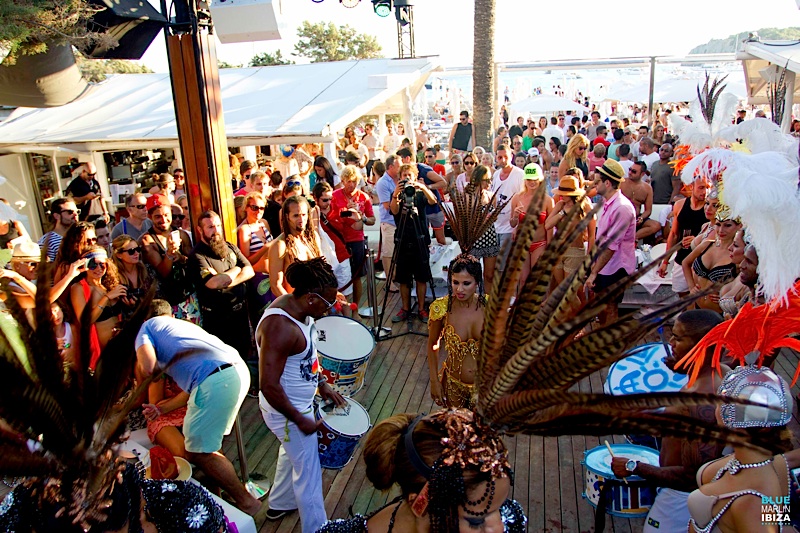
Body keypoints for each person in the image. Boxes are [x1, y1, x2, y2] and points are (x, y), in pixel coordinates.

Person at [135, 299, 261, 516]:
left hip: (217, 382)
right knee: (205, 445)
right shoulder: (184, 327)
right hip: (236, 372)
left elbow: (149, 369)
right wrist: (162, 410)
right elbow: (196, 380)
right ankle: (223, 502)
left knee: (198, 451)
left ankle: (245, 502)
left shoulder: (146, 327)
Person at [611, 310, 728, 533]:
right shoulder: (720, 372)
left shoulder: (698, 400)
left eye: (678, 338)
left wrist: (633, 466)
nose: (670, 343)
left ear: (700, 346)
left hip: (682, 500)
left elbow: (690, 476)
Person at [318, 409, 526, 532]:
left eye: (498, 507)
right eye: (476, 521)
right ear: (420, 505)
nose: (500, 527)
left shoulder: (511, 519)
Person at [256, 258, 346, 530]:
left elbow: (308, 356)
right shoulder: (280, 327)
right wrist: (299, 419)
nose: (331, 307)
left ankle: (280, 503)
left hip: (300, 405)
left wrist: (322, 383)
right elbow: (268, 385)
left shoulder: (303, 312)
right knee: (309, 472)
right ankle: (317, 528)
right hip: (287, 411)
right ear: (309, 298)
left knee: (290, 453)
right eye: (327, 302)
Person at [687, 366, 793, 533]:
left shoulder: (752, 504)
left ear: (732, 419)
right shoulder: (777, 462)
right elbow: (781, 520)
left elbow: (773, 523)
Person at [188, 210, 254, 361]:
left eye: (218, 225)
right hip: (218, 319)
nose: (216, 230)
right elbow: (213, 283)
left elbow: (249, 270)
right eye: (210, 227)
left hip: (240, 314)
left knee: (244, 357)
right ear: (200, 230)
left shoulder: (230, 247)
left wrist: (226, 281)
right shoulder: (197, 255)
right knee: (224, 361)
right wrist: (237, 269)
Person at [427, 254, 485, 409]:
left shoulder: (491, 307)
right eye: (455, 282)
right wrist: (434, 381)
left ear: (477, 283)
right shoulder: (442, 309)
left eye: (466, 283)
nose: (459, 289)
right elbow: (433, 344)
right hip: (453, 386)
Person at [586, 160, 636, 326]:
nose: (595, 184)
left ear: (607, 183)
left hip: (616, 265)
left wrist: (594, 272)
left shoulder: (622, 208)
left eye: (598, 181)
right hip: (605, 264)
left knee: (610, 305)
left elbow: (611, 247)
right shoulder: (609, 203)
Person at [140, 194, 200, 324]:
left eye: (166, 215)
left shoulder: (182, 234)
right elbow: (163, 272)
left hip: (189, 296)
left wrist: (181, 258)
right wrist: (170, 253)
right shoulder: (147, 241)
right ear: (150, 217)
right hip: (166, 301)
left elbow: (193, 262)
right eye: (158, 216)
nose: (163, 219)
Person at [390, 163, 437, 323]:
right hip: (403, 239)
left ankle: (422, 309)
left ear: (415, 177)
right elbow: (394, 211)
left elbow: (433, 201)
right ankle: (405, 308)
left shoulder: (420, 193)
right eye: (404, 176)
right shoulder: (397, 194)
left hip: (420, 239)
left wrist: (422, 187)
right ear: (400, 178)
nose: (407, 179)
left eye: (410, 175)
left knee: (421, 276)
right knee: (403, 277)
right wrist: (396, 194)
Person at [70, 245, 126, 371]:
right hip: (102, 354)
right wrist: (106, 298)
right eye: (93, 264)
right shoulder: (78, 288)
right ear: (84, 266)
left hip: (120, 345)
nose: (99, 268)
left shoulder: (109, 284)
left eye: (103, 264)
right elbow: (85, 321)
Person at [329, 165, 375, 306]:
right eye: (348, 181)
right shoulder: (335, 196)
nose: (352, 184)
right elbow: (330, 216)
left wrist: (361, 217)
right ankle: (339, 307)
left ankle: (355, 307)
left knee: (357, 276)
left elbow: (372, 220)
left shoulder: (363, 197)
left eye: (354, 181)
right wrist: (345, 212)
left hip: (357, 240)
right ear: (342, 181)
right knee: (338, 276)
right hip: (339, 240)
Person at [681, 208, 741, 314]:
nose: (721, 230)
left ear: (739, 226)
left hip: (719, 315)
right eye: (718, 224)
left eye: (727, 225)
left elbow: (744, 284)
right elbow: (685, 263)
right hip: (695, 307)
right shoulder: (706, 245)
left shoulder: (738, 255)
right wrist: (691, 287)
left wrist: (727, 296)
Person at [658, 179, 709, 296]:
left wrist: (697, 239)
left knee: (698, 298)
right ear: (691, 187)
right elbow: (674, 234)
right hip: (682, 256)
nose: (705, 191)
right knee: (682, 297)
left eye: (707, 187)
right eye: (701, 187)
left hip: (701, 261)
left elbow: (716, 233)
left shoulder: (709, 208)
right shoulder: (680, 205)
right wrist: (665, 261)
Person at [269, 195, 323, 299]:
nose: (301, 219)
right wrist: (294, 305)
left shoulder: (313, 238)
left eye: (304, 214)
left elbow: (322, 271)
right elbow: (276, 286)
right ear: (287, 216)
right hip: (295, 303)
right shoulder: (280, 245)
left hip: (317, 301)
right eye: (296, 215)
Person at [509, 163, 554, 288]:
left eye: (535, 179)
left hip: (539, 243)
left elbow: (549, 227)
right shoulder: (517, 198)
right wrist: (516, 216)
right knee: (523, 280)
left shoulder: (548, 201)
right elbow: (512, 224)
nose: (532, 182)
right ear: (525, 180)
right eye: (529, 179)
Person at [237, 191, 274, 328]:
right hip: (258, 280)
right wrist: (265, 249)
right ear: (246, 208)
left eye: (262, 208)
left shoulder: (264, 223)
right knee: (265, 317)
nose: (258, 211)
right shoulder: (244, 230)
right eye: (254, 207)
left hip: (273, 275)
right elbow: (246, 261)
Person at [490, 145, 525, 274]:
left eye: (506, 157)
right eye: (500, 157)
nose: (503, 160)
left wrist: (517, 226)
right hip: (496, 225)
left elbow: (523, 200)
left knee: (504, 265)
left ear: (511, 157)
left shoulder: (519, 175)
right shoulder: (496, 174)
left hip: (510, 227)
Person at [467, 165, 500, 290]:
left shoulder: (491, 195)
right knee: (472, 275)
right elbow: (466, 219)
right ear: (479, 180)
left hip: (490, 237)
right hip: (474, 239)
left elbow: (495, 218)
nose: (490, 183)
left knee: (489, 275)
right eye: (487, 180)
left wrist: (492, 216)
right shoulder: (468, 196)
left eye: (491, 180)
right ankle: (472, 302)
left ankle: (487, 303)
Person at [111, 234, 154, 318]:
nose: (136, 253)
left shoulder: (147, 269)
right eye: (131, 251)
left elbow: (157, 295)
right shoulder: (113, 275)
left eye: (138, 249)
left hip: (149, 315)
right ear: (119, 255)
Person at [620, 161, 661, 240]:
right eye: (630, 169)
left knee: (656, 225)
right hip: (621, 217)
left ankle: (631, 238)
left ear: (642, 174)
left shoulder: (647, 188)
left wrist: (641, 218)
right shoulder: (621, 183)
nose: (630, 172)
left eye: (634, 171)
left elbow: (648, 210)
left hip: (637, 218)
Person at [38, 197, 78, 261]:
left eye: (77, 211)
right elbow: (47, 268)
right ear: (56, 216)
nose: (75, 214)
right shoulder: (48, 241)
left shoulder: (80, 235)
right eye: (70, 212)